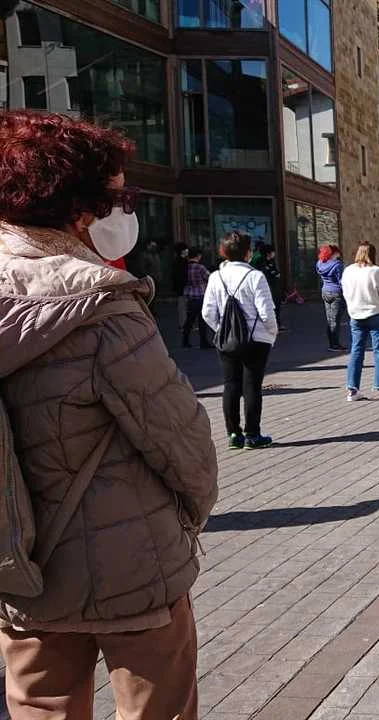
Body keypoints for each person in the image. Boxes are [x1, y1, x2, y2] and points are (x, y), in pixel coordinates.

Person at [0, 110, 217, 719]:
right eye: (119, 197)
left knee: (40, 706)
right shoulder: (102, 309)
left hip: (18, 567)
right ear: (79, 208)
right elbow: (180, 440)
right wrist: (192, 513)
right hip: (132, 564)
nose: (123, 211)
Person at [203, 231, 279, 448]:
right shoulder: (255, 276)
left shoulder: (215, 277)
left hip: (227, 339)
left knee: (230, 385)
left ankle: (234, 434)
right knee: (252, 386)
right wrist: (271, 333)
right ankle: (252, 434)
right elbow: (266, 312)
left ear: (223, 252)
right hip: (257, 339)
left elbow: (207, 312)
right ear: (248, 253)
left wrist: (221, 329)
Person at [342, 241, 379, 402]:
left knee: (356, 350)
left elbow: (345, 292)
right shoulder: (376, 271)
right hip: (375, 312)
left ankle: (352, 389)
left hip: (356, 313)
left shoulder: (348, 271)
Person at [181, 247, 212, 348]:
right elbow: (209, 277)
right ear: (198, 256)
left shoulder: (185, 267)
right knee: (202, 320)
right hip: (201, 295)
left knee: (189, 320)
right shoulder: (200, 267)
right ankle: (203, 342)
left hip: (190, 296)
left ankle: (185, 341)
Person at [317, 244, 346, 351]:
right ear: (333, 253)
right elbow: (341, 281)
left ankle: (331, 342)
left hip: (325, 290)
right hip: (336, 292)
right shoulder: (337, 265)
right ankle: (334, 344)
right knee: (335, 320)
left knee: (329, 319)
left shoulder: (320, 263)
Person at [252, 242, 285, 331]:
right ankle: (274, 325)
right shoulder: (262, 262)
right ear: (268, 253)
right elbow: (271, 273)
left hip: (274, 287)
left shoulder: (269, 261)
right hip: (270, 287)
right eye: (273, 252)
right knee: (272, 306)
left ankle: (277, 324)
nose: (274, 254)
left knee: (276, 306)